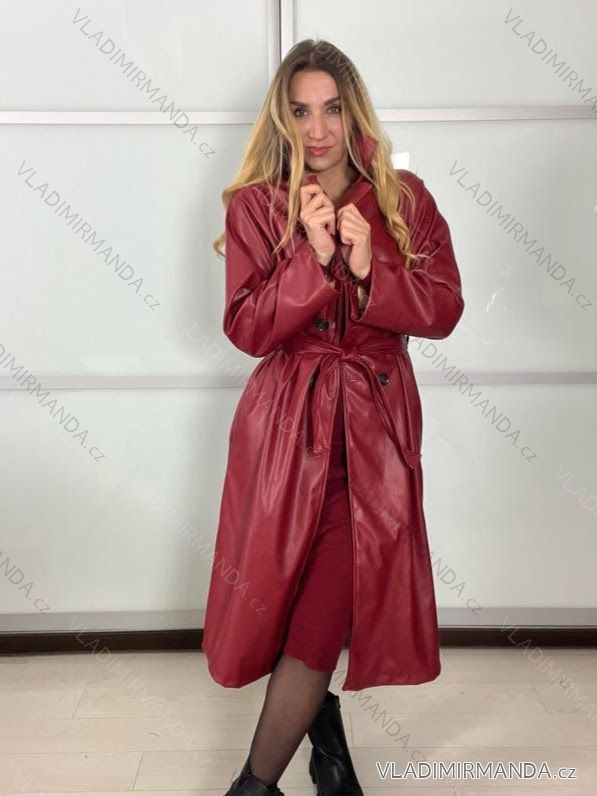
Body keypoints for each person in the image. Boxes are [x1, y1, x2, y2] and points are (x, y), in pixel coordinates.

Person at [204, 38, 465, 796]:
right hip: (288, 434)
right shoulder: (257, 204)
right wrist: (310, 258)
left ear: (354, 113)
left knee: (322, 614)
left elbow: (444, 308)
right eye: (299, 112)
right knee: (293, 604)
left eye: (331, 109)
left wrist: (367, 266)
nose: (316, 130)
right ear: (281, 120)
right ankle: (325, 764)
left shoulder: (404, 198)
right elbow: (248, 328)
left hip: (375, 434)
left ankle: (258, 785)